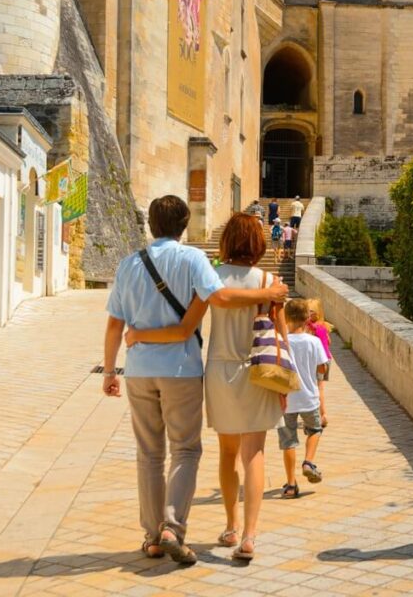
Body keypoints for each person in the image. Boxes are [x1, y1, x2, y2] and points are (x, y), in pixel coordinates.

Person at [103, 196, 288, 566]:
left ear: (150, 224)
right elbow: (266, 328)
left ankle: (160, 536)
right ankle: (202, 530)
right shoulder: (204, 264)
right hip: (198, 371)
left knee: (155, 454)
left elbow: (117, 324)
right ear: (184, 225)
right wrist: (268, 295)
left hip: (160, 371)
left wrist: (111, 368)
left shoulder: (129, 265)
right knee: (196, 451)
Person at [278, 299, 328, 497]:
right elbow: (322, 367)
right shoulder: (314, 341)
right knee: (315, 429)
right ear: (308, 318)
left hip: (286, 399)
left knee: (288, 442)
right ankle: (308, 461)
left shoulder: (282, 341)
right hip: (309, 397)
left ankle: (291, 485)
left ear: (287, 318)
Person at [306, 297, 333, 381]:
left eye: (311, 311)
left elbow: (314, 328)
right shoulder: (322, 325)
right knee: (317, 384)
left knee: (318, 385)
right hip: (323, 359)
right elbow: (329, 342)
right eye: (306, 311)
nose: (308, 313)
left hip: (321, 360)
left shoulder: (319, 326)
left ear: (317, 313)